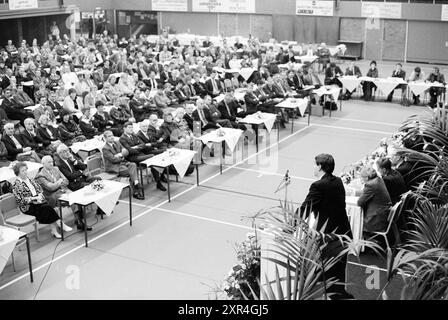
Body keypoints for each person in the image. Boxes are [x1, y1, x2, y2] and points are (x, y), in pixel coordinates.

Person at [300, 154, 353, 300]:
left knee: (328, 272)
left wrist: (290, 226)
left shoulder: (318, 186)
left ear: (320, 167)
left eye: (315, 164)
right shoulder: (338, 181)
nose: (314, 167)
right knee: (339, 270)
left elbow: (305, 209)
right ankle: (341, 294)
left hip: (330, 236)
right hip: (344, 232)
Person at [12, 161, 72, 239]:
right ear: (18, 173)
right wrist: (34, 198)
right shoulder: (16, 185)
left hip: (38, 203)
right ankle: (60, 224)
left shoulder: (30, 179)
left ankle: (55, 231)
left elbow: (39, 189)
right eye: (23, 171)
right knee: (47, 208)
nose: (25, 172)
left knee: (48, 207)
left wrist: (39, 195)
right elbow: (20, 201)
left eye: (26, 170)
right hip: (28, 207)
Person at [55, 143, 102, 228]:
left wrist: (74, 161)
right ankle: (80, 222)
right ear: (60, 154)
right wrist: (80, 172)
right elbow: (70, 176)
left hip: (81, 179)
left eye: (68, 150)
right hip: (73, 184)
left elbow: (84, 166)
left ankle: (100, 208)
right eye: (65, 151)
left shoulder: (70, 158)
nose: (68, 153)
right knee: (90, 187)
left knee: (98, 180)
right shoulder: (59, 164)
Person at [119, 122, 167, 191]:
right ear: (124, 129)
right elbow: (130, 150)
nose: (131, 129)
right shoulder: (122, 138)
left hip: (141, 155)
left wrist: (136, 147)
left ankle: (159, 182)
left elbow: (143, 145)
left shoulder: (133, 135)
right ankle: (160, 180)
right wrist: (138, 148)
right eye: (129, 127)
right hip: (132, 158)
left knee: (152, 163)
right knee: (152, 156)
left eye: (132, 127)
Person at [102, 130, 144, 200]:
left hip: (122, 163)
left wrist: (119, 155)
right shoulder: (105, 148)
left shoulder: (117, 143)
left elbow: (126, 152)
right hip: (113, 167)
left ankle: (136, 183)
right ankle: (136, 191)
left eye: (112, 135)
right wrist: (121, 156)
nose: (112, 137)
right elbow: (113, 160)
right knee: (132, 172)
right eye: (109, 136)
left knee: (133, 165)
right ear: (105, 138)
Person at [357, 166, 391, 235]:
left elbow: (360, 202)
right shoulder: (378, 179)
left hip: (376, 220)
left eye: (362, 177)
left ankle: (357, 242)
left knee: (355, 221)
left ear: (367, 178)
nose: (361, 180)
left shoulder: (370, 185)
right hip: (384, 214)